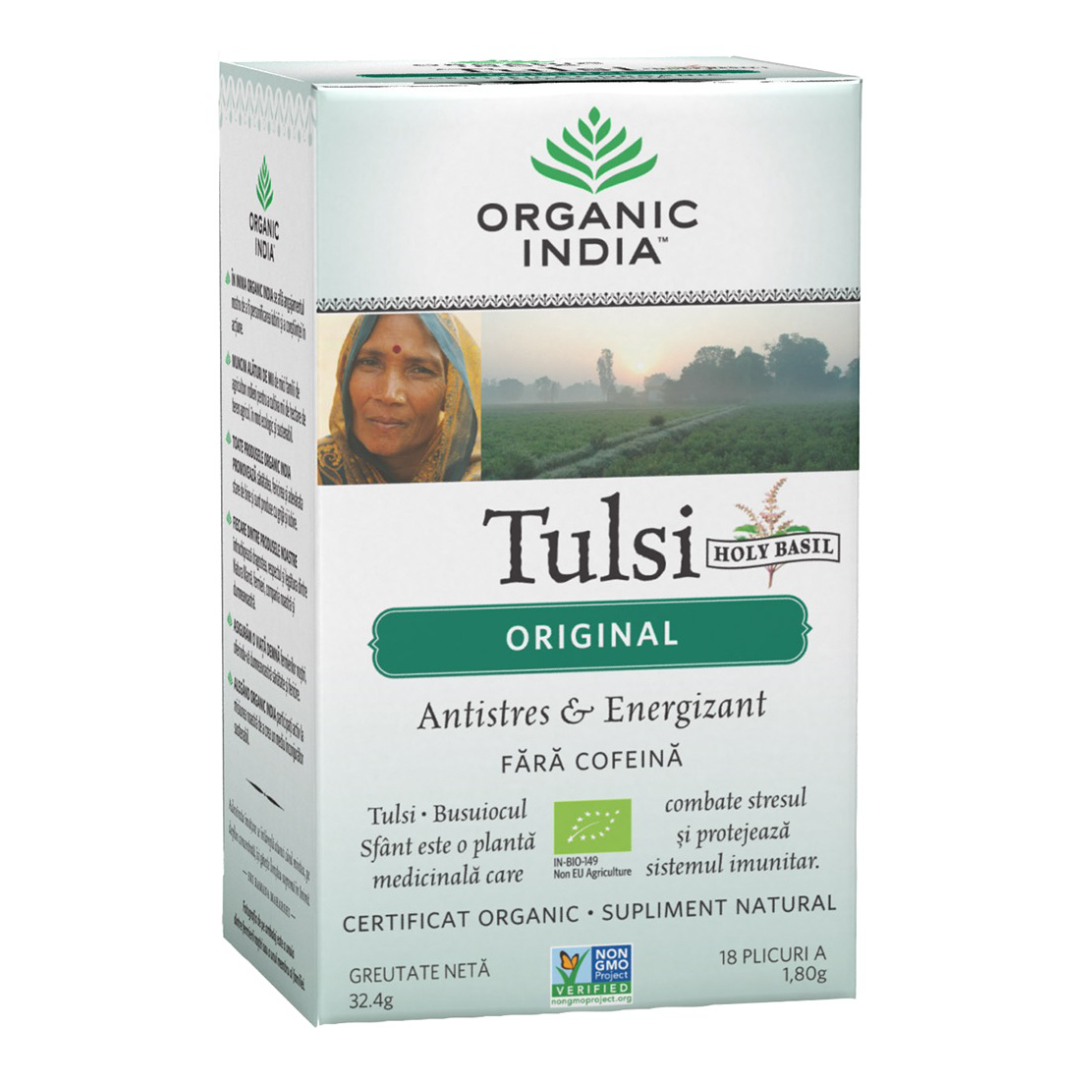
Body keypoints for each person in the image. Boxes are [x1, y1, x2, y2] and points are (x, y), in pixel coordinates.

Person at [318, 312, 481, 484]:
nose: (389, 395)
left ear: (451, 391)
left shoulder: (482, 484)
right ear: (345, 374)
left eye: (420, 370)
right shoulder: (312, 473)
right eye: (370, 362)